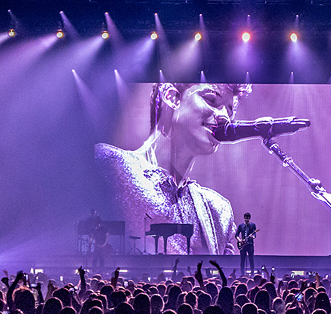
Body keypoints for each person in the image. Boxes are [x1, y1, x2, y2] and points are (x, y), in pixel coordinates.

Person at [95, 83, 251, 255]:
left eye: (230, 111)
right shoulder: (109, 164)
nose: (225, 117)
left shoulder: (218, 210)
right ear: (173, 98)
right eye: (211, 100)